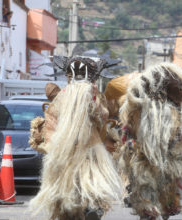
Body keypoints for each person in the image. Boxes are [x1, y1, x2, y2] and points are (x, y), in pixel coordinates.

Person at [28, 56, 123, 220]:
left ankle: (70, 209)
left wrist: (49, 143)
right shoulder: (94, 95)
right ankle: (93, 207)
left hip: (64, 152)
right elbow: (103, 116)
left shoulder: (62, 96)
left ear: (68, 76)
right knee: (93, 185)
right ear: (93, 77)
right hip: (91, 151)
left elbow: (52, 120)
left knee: (64, 191)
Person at [119, 63, 182, 220]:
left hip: (166, 155)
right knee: (145, 184)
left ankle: (161, 207)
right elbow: (129, 127)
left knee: (164, 183)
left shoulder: (171, 113)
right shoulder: (140, 109)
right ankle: (149, 210)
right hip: (144, 155)